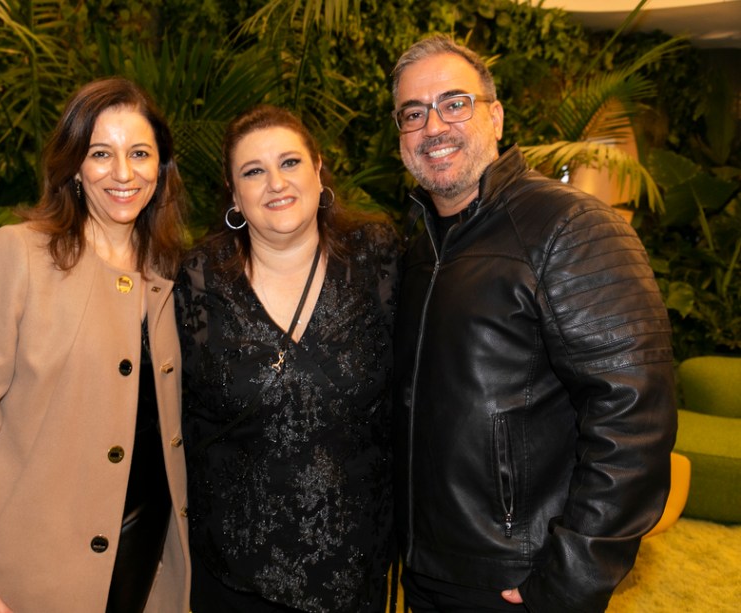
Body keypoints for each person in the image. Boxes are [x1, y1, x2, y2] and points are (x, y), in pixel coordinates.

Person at [390, 35, 677, 613]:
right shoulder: (417, 246)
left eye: (454, 103)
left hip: (519, 582)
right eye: (413, 113)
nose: (433, 126)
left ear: (495, 116)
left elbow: (635, 415)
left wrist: (571, 579)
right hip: (427, 570)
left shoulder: (569, 228)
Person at [0, 77, 191, 613]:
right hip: (20, 572)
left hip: (146, 568)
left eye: (140, 153)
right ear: (74, 166)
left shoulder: (177, 275)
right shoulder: (17, 256)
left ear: (162, 168)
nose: (123, 173)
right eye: (100, 154)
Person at [174, 104, 399, 613]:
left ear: (318, 170)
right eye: (253, 171)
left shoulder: (377, 259)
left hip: (355, 571)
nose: (276, 183)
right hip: (235, 581)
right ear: (234, 195)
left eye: (290, 163)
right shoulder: (198, 279)